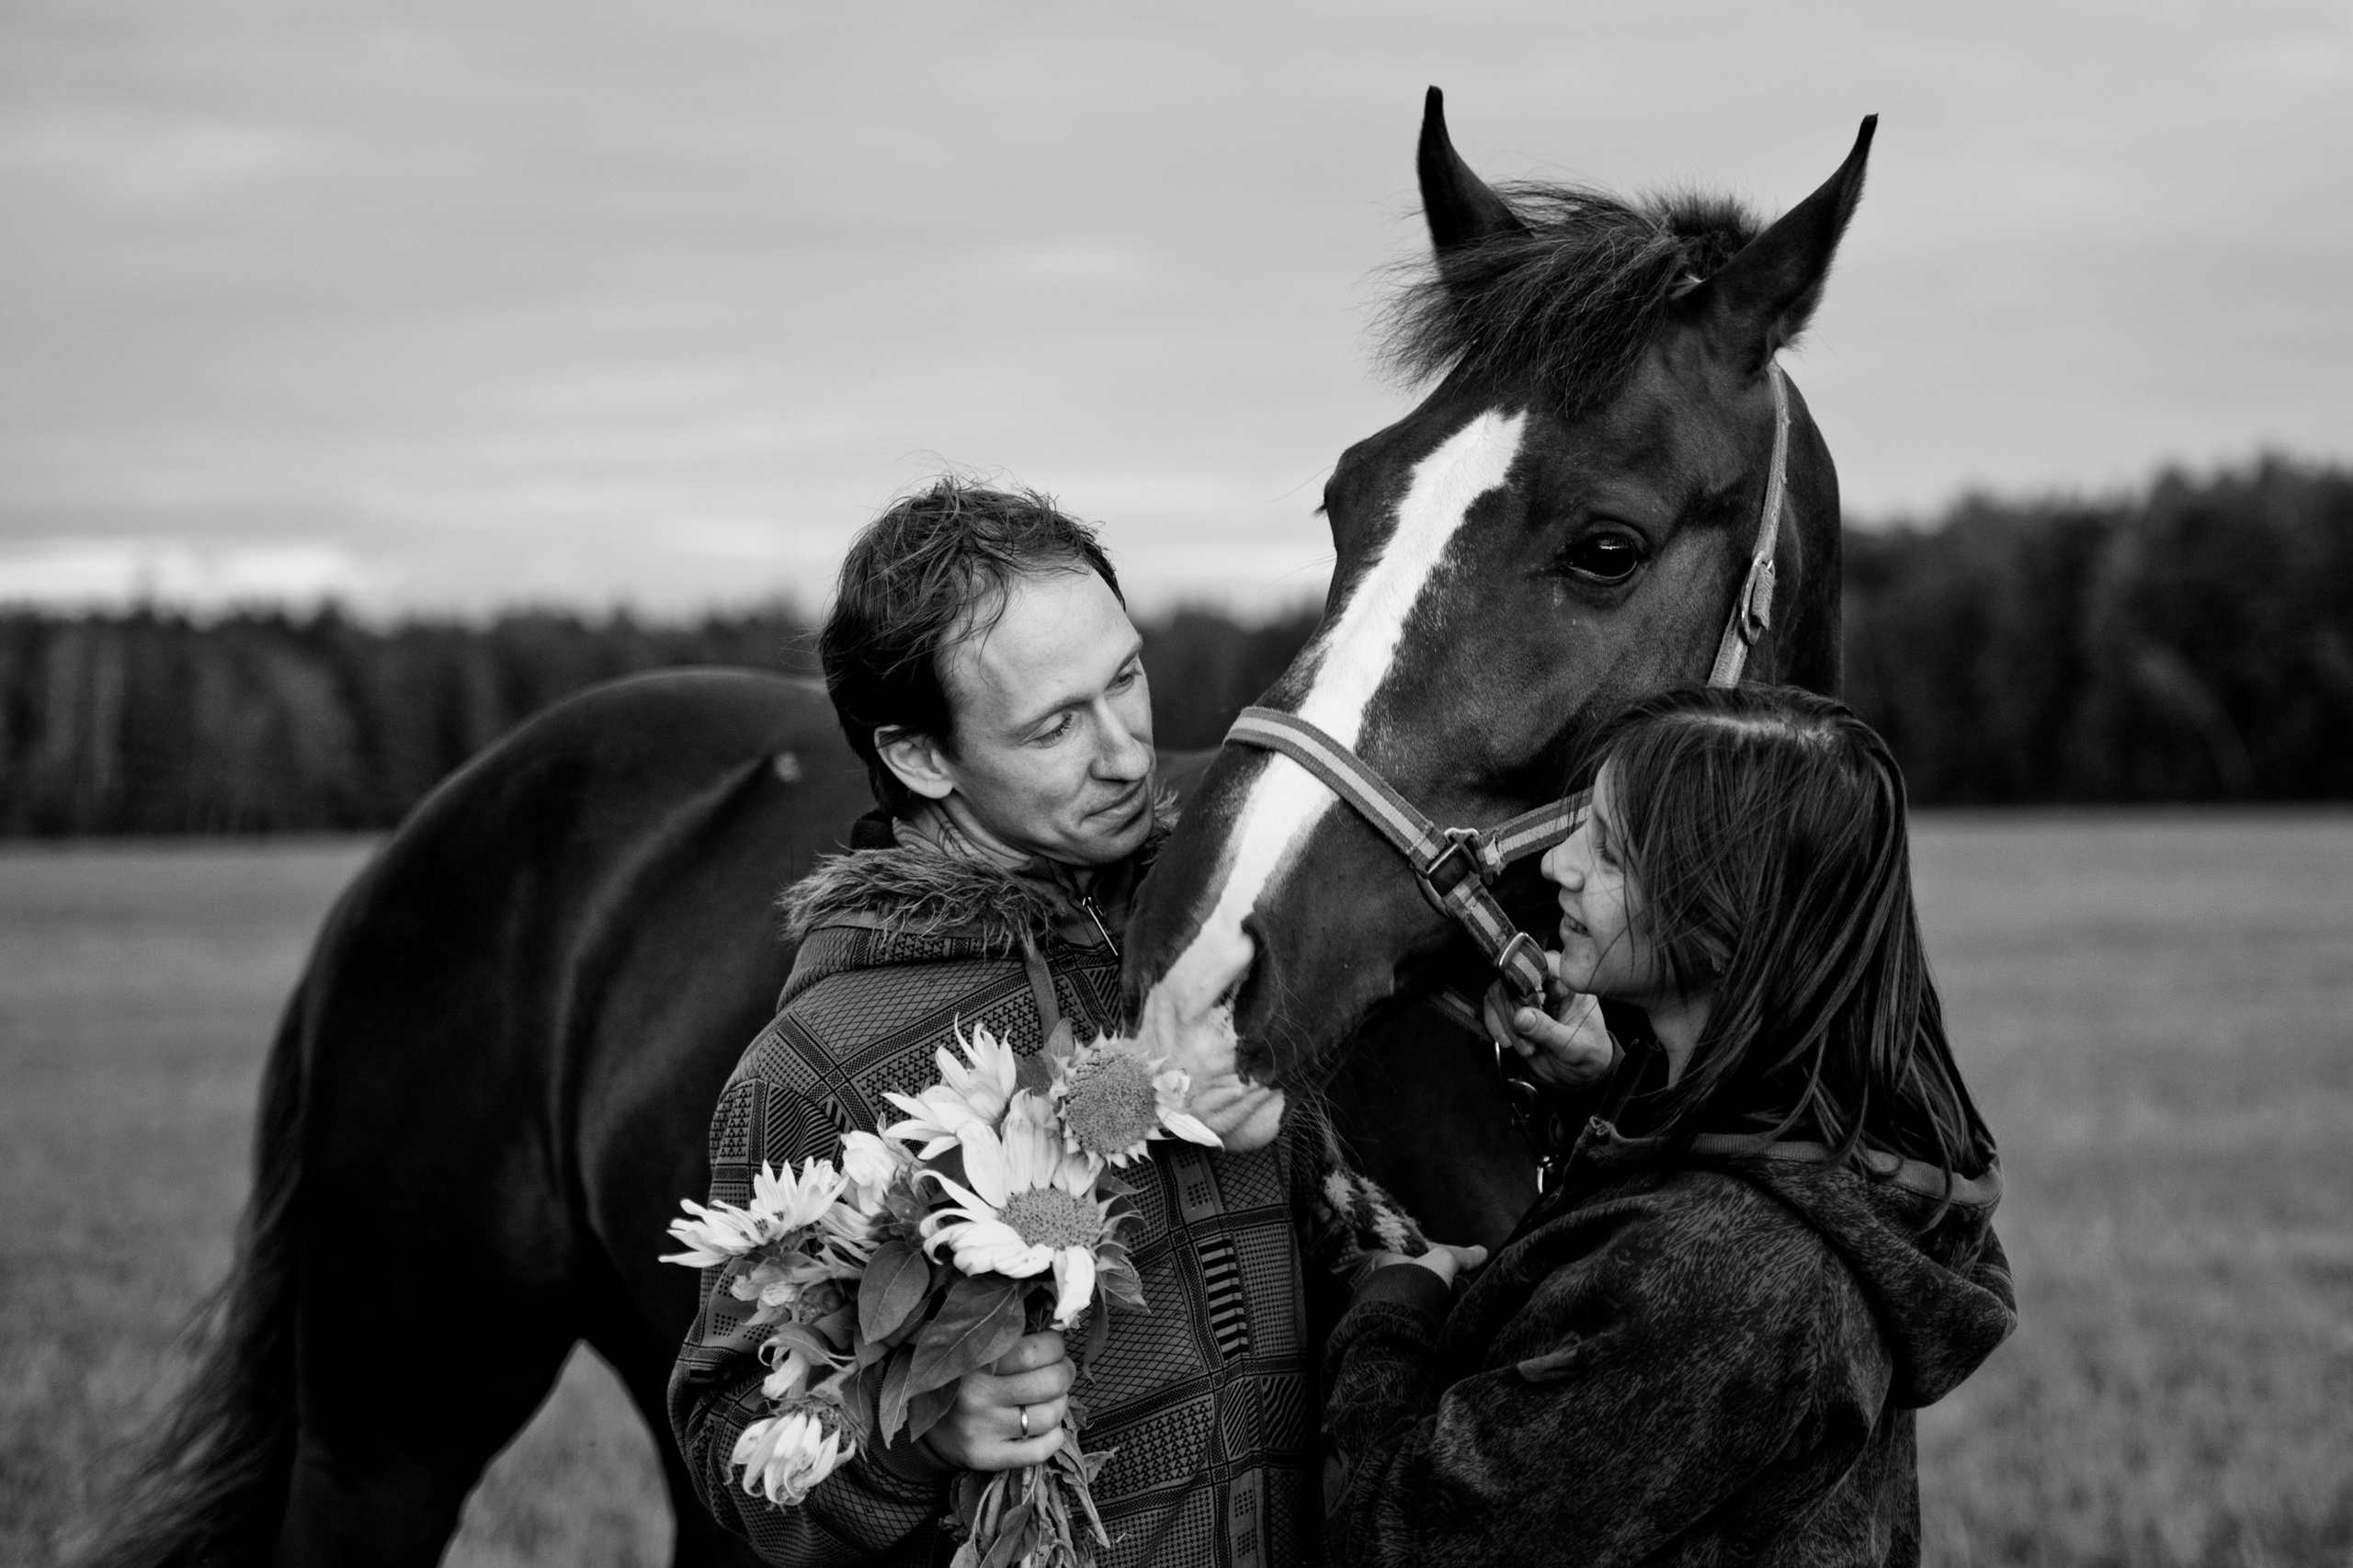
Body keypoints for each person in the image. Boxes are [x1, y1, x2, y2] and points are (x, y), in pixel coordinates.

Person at [668, 478, 1405, 1567]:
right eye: (1055, 725)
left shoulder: (1203, 944)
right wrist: (920, 1435)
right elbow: (732, 1454)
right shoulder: (812, 1068)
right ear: (919, 754)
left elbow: (1328, 1244)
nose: (1126, 753)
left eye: (1126, 679)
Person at [1322, 683, 2017, 1567]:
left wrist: (1393, 1313)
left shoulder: (1722, 1280)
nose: (1557, 865)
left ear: (1727, 921)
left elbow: (1405, 1542)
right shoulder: (1829, 1163)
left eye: (1611, 852)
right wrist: (1610, 1094)